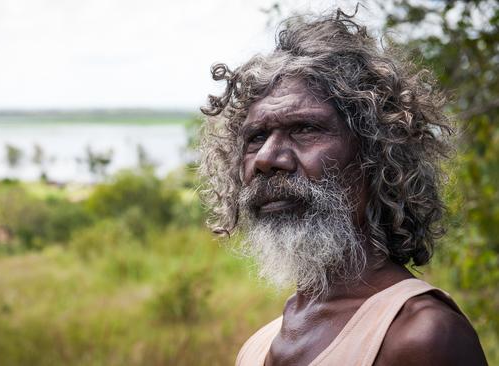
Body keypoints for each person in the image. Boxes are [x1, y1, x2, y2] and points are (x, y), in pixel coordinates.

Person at [198, 10, 487, 366]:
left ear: (377, 152)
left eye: (304, 129)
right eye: (256, 137)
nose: (267, 158)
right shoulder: (259, 344)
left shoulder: (421, 337)